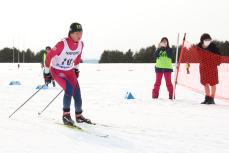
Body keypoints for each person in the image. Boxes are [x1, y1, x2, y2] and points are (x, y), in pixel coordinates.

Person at [45, 22, 91, 125]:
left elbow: (78, 57)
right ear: (70, 33)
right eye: (76, 33)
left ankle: (79, 116)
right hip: (57, 71)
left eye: (80, 33)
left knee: (77, 92)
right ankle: (66, 116)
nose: (79, 35)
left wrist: (76, 69)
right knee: (69, 89)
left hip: (69, 71)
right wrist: (47, 73)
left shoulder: (81, 44)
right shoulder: (62, 44)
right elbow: (49, 56)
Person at [197, 33, 221, 104]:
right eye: (206, 40)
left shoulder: (214, 47)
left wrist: (216, 62)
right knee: (205, 82)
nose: (208, 41)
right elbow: (198, 56)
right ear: (202, 40)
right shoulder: (199, 47)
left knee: (213, 83)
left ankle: (212, 98)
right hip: (203, 67)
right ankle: (207, 97)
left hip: (212, 67)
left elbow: (219, 57)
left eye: (209, 39)